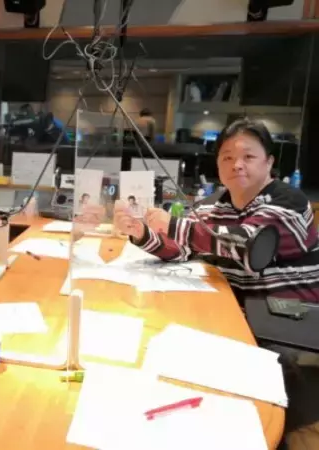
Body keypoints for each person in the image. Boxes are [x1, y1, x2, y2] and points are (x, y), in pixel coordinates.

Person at [115, 118, 319, 449]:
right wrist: (143, 234)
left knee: (250, 391)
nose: (237, 164)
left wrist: (175, 225)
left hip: (286, 319)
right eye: (227, 157)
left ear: (269, 162)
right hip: (233, 314)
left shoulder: (289, 202)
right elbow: (183, 248)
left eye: (248, 156)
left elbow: (250, 244)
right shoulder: (212, 206)